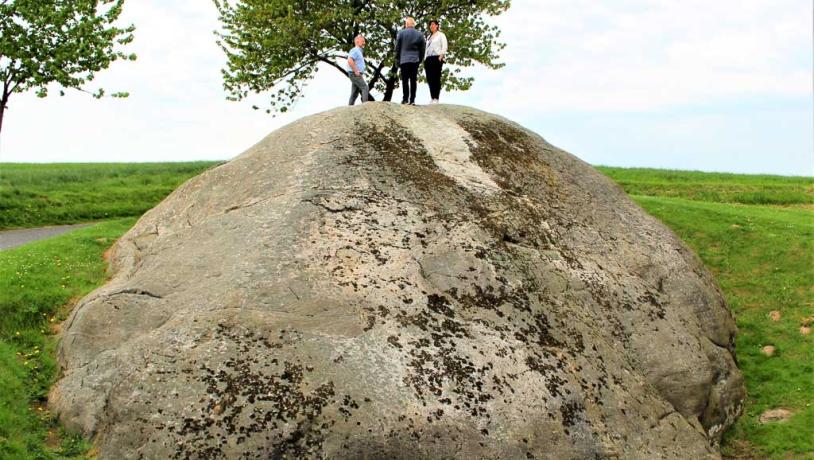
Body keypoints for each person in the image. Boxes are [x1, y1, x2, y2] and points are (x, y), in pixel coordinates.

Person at [395, 17, 425, 105]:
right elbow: (422, 49)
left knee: (405, 80)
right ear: (413, 24)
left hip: (404, 60)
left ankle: (405, 99)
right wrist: (420, 59)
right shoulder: (419, 35)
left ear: (406, 24)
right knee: (413, 80)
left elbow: (397, 48)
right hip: (415, 60)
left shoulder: (401, 33)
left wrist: (397, 59)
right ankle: (412, 100)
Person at [424, 20, 448, 104]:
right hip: (428, 59)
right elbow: (426, 49)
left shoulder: (441, 35)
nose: (431, 26)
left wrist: (441, 56)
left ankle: (436, 98)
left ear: (437, 26)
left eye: (433, 24)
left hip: (437, 57)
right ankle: (432, 97)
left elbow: (444, 46)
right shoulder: (428, 37)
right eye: (430, 25)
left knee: (436, 78)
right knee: (429, 78)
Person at [347, 35, 369, 105]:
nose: (364, 43)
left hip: (355, 73)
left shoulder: (359, 51)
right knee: (365, 87)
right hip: (354, 73)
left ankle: (349, 108)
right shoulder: (355, 50)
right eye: (362, 41)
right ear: (357, 41)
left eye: (364, 41)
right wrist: (356, 70)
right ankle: (365, 105)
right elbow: (350, 60)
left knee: (354, 93)